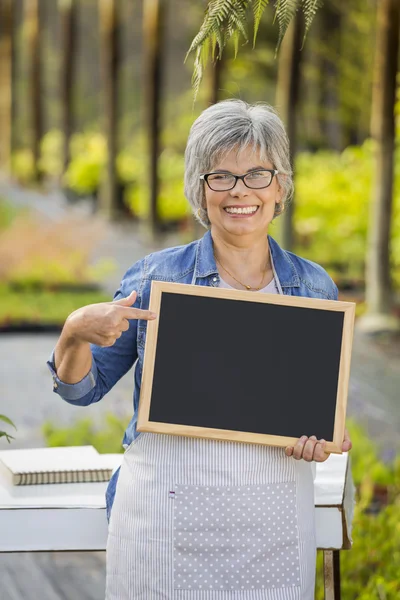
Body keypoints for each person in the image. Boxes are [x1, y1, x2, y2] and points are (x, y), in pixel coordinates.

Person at [47, 99, 352, 600]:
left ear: (280, 188)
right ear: (200, 188)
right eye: (220, 176)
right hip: (161, 520)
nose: (239, 191)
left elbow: (320, 415)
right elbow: (81, 392)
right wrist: (75, 330)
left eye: (257, 174)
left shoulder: (313, 287)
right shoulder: (154, 277)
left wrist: (320, 442)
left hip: (272, 524)